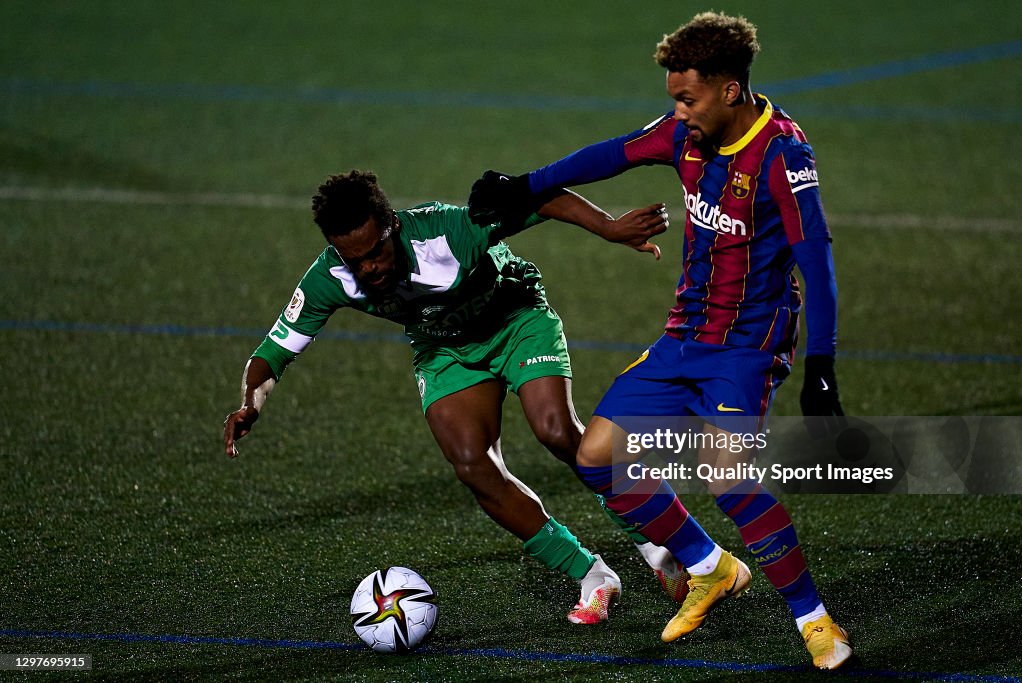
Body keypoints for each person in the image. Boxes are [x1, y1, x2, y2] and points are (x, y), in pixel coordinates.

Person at [467, 12, 852, 670]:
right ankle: (710, 564)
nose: (677, 111)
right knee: (598, 456)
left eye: (687, 97)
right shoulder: (686, 133)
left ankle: (813, 618)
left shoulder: (783, 154)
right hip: (683, 336)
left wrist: (821, 367)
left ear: (730, 89)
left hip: (747, 345)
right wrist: (525, 184)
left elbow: (815, 259)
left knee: (728, 476)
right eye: (673, 97)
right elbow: (612, 154)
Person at [222, 169, 683, 625]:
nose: (370, 269)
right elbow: (275, 349)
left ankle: (656, 546)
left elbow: (536, 199)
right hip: (444, 347)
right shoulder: (332, 275)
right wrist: (251, 402)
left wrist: (608, 226)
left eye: (376, 253)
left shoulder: (447, 231)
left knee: (557, 431)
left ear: (393, 228)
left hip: (514, 318)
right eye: (354, 260)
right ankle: (592, 575)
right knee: (472, 465)